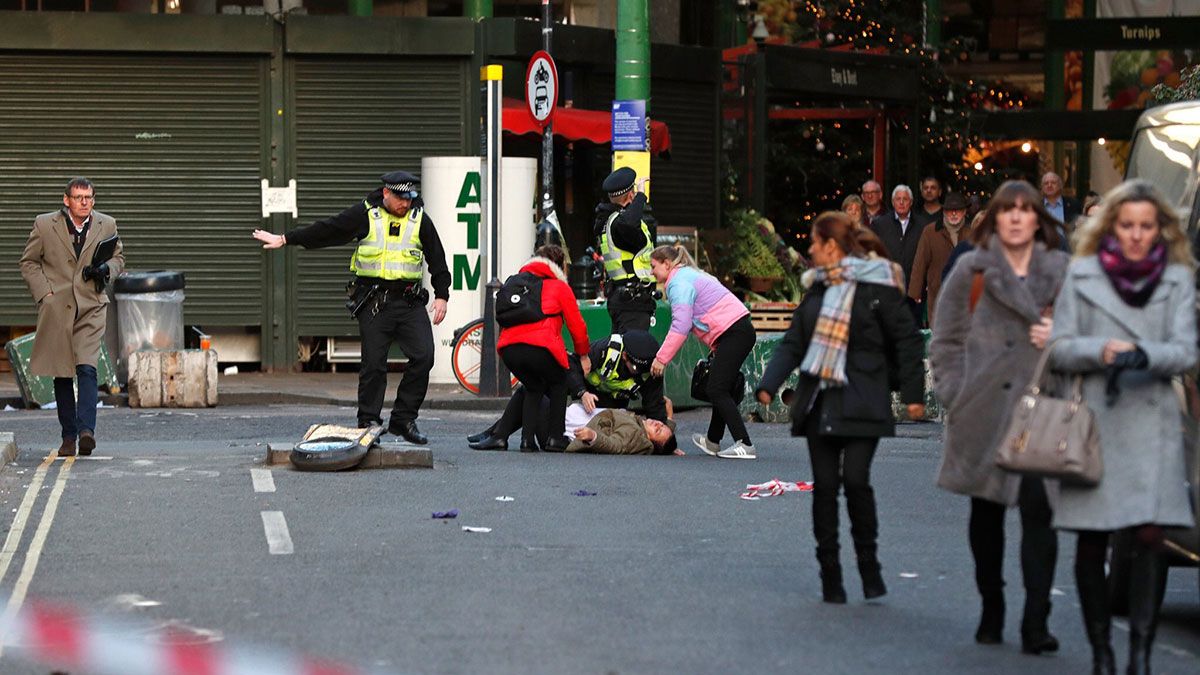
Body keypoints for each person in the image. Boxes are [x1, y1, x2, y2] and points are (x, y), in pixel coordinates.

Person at [1048, 180, 1197, 675]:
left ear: (1160, 230)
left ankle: (1140, 653)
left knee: (1151, 539)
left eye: (1146, 226)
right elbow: (1062, 347)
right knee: (1093, 541)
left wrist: (1144, 355)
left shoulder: (1176, 279)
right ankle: (1102, 652)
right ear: (1112, 226)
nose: (1136, 235)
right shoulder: (1083, 276)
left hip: (1154, 423)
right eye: (1127, 225)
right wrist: (1103, 350)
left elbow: (1187, 352)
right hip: (1098, 423)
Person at [756, 211, 925, 604]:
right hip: (821, 402)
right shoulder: (816, 290)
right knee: (825, 488)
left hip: (864, 399)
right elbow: (794, 343)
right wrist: (768, 384)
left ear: (831, 246)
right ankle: (830, 573)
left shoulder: (877, 288)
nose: (810, 250)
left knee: (857, 481)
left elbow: (908, 340)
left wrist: (914, 395)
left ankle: (869, 565)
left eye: (815, 243)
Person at [929, 180, 1068, 654]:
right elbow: (945, 341)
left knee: (1040, 512)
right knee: (985, 514)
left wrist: (1061, 336)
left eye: (1024, 210)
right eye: (1005, 209)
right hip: (983, 409)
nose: (1014, 217)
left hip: (1041, 408)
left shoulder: (1061, 271)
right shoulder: (972, 268)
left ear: (1037, 219)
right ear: (993, 217)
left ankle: (1036, 620)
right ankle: (993, 605)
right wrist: (955, 394)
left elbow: (1090, 334)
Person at [252, 171, 449, 444]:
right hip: (374, 302)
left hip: (408, 301)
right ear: (386, 194)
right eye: (401, 198)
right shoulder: (366, 214)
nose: (406, 204)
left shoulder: (419, 220)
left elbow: (437, 257)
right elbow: (329, 230)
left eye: (410, 198)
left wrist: (442, 295)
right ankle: (368, 421)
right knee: (374, 365)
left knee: (424, 356)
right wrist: (287, 239)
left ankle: (404, 419)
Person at [19, 177, 124, 457]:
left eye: (89, 197)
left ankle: (86, 431)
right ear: (66, 200)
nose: (84, 202)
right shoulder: (44, 224)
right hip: (58, 308)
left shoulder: (106, 224)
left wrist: (106, 270)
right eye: (78, 198)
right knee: (62, 373)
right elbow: (28, 262)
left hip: (91, 304)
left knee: (87, 367)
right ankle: (68, 436)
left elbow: (118, 258)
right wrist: (45, 294)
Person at [469, 330, 668, 451]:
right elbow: (572, 365)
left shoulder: (648, 371)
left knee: (532, 393)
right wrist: (582, 392)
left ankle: (498, 435)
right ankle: (496, 433)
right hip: (584, 388)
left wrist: (669, 444)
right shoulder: (608, 349)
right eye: (633, 368)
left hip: (603, 409)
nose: (636, 374)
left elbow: (655, 405)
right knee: (537, 388)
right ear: (625, 355)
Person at [649, 244, 757, 459]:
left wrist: (661, 359)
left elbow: (681, 325)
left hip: (733, 333)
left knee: (717, 389)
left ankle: (745, 444)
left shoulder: (678, 283)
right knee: (720, 387)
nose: (651, 272)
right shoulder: (690, 274)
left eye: (653, 266)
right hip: (737, 331)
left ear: (667, 264)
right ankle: (713, 441)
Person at [496, 245, 591, 452]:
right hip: (540, 348)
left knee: (533, 386)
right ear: (559, 266)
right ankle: (555, 438)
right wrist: (583, 355)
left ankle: (526, 441)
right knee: (559, 382)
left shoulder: (517, 283)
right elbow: (577, 326)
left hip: (509, 351)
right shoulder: (559, 287)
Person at [595, 166, 657, 333]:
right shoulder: (619, 224)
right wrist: (641, 197)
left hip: (622, 298)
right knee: (634, 354)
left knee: (622, 353)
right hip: (633, 302)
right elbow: (630, 223)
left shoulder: (607, 221)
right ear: (631, 194)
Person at [908, 192, 972, 327]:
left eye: (958, 210)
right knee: (939, 331)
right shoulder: (930, 232)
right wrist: (915, 293)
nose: (954, 214)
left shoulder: (972, 233)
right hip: (937, 292)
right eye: (950, 211)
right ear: (944, 211)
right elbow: (920, 262)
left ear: (964, 211)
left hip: (965, 294)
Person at [869, 184, 924, 287]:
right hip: (887, 284)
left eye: (905, 199)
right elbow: (873, 254)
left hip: (914, 287)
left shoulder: (922, 225)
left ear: (911, 202)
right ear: (893, 202)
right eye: (898, 199)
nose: (901, 202)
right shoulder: (879, 224)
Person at [567, 406, 679, 455]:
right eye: (662, 425)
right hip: (583, 417)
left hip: (576, 425)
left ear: (651, 441)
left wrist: (593, 436)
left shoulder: (636, 435)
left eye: (657, 431)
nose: (658, 424)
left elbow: (616, 446)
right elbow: (663, 440)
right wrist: (669, 420)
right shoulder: (640, 426)